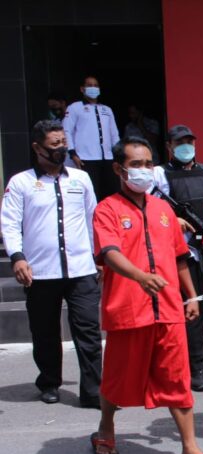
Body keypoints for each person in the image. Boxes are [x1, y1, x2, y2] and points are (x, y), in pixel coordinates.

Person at [89, 136, 203, 454]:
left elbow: (180, 258)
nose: (144, 171)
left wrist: (191, 295)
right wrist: (139, 276)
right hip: (128, 309)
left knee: (178, 379)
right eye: (136, 165)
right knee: (117, 379)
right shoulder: (107, 209)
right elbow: (109, 254)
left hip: (168, 310)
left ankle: (190, 448)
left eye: (149, 164)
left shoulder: (164, 210)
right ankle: (106, 430)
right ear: (119, 169)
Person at [1, 120, 102, 407]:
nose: (61, 149)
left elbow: (92, 219)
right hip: (40, 272)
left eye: (63, 143)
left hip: (81, 269)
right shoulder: (20, 182)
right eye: (54, 144)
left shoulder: (80, 179)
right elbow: (9, 224)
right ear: (37, 147)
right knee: (44, 331)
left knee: (89, 331)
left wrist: (99, 257)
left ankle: (93, 390)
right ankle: (49, 381)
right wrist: (18, 257)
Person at [153, 124, 203, 392]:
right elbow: (152, 207)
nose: (186, 146)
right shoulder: (160, 174)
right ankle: (196, 368)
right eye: (180, 142)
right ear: (169, 146)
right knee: (192, 309)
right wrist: (175, 220)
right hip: (184, 252)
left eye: (190, 141)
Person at [63, 76, 121, 201]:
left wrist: (118, 153)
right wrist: (72, 153)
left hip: (108, 158)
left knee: (111, 192)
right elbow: (66, 131)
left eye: (96, 85)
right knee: (91, 192)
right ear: (82, 89)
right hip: (85, 157)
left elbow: (114, 134)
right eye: (90, 85)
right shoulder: (74, 108)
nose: (93, 88)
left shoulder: (107, 109)